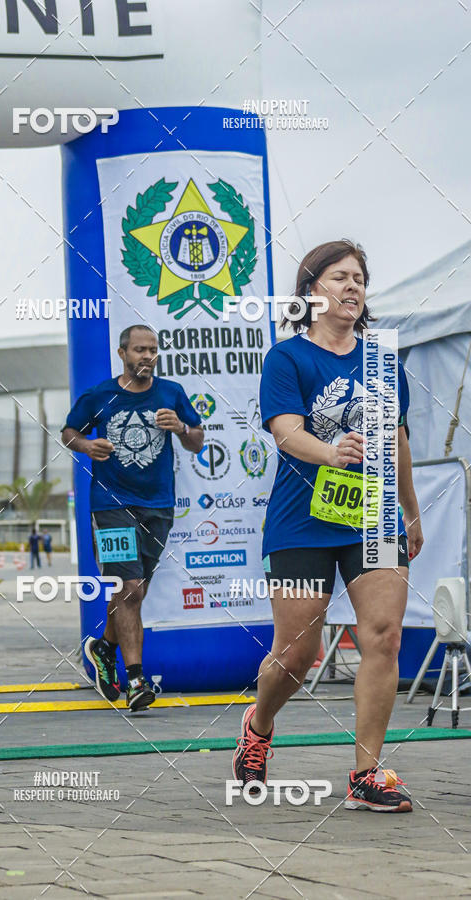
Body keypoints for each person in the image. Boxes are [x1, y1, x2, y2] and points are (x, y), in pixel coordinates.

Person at [233, 240, 424, 813]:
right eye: (340, 276)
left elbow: (398, 440)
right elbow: (286, 431)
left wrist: (410, 510)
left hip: (374, 516)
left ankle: (367, 773)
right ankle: (259, 722)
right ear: (312, 290)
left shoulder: (384, 361)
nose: (353, 287)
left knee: (384, 635)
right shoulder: (289, 358)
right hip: (302, 520)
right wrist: (329, 452)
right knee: (297, 655)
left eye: (360, 278)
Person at [62, 324, 204, 711]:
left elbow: (198, 439)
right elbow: (68, 432)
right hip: (111, 504)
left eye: (153, 350)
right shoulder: (101, 395)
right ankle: (137, 679)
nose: (147, 356)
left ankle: (103, 647)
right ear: (123, 353)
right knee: (129, 588)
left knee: (134, 589)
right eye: (139, 350)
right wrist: (87, 444)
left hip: (158, 504)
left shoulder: (171, 392)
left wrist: (181, 427)